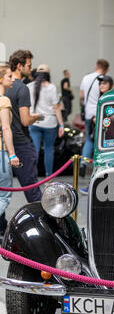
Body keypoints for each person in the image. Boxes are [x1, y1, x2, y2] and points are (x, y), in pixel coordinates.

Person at [5, 49, 44, 202]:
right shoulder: (22, 88)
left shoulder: (4, 89)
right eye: (29, 65)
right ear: (19, 66)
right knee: (32, 189)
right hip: (21, 144)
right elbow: (25, 120)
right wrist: (38, 116)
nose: (31, 68)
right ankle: (44, 222)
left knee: (4, 191)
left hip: (5, 145)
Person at [27, 64, 65, 177]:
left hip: (35, 121)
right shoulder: (51, 87)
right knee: (49, 149)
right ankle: (49, 177)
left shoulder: (29, 86)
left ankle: (32, 176)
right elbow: (56, 108)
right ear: (48, 74)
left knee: (35, 150)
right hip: (50, 123)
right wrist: (61, 124)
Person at [79, 75, 113, 196]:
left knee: (104, 161)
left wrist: (100, 119)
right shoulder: (102, 98)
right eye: (100, 84)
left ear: (110, 85)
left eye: (105, 83)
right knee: (99, 160)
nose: (101, 85)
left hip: (109, 136)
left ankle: (97, 186)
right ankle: (95, 185)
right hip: (101, 134)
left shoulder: (109, 99)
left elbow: (112, 116)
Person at [79, 58, 110, 177]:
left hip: (88, 113)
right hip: (100, 112)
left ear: (96, 66)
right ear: (107, 69)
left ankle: (83, 162)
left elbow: (81, 95)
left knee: (89, 138)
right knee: (100, 140)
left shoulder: (86, 78)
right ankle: (98, 166)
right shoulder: (104, 80)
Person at [0, 64, 20, 238]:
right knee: (4, 196)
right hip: (1, 153)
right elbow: (6, 129)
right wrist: (12, 154)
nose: (12, 79)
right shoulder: (4, 100)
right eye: (9, 76)